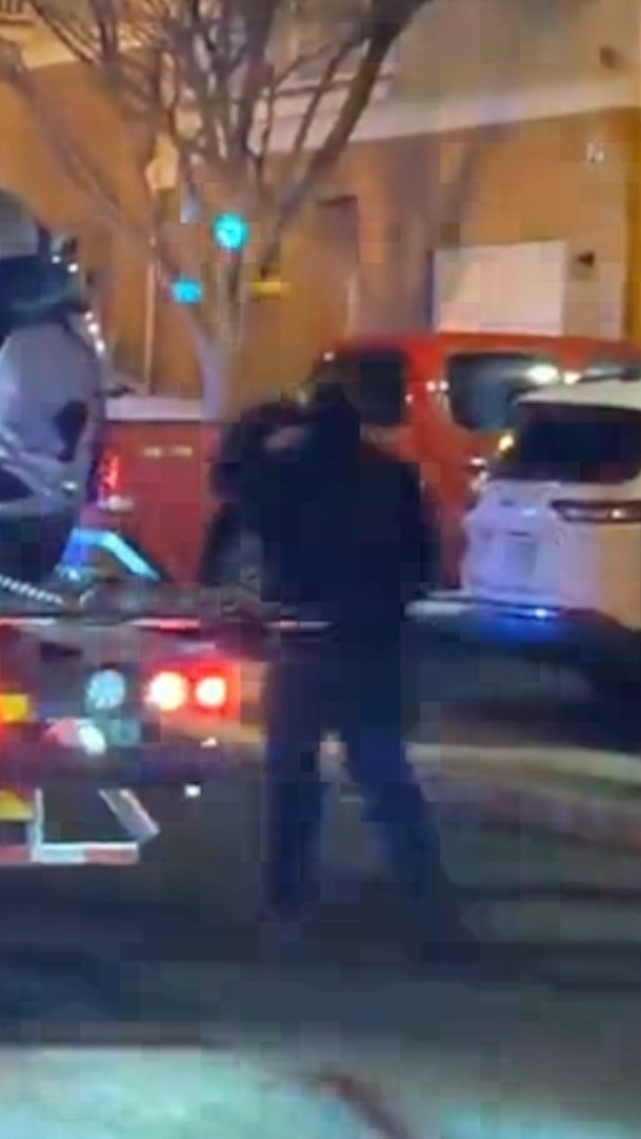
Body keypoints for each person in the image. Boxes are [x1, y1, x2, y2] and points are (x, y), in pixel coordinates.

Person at [238, 381, 465, 946]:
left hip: (305, 642)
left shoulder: (287, 473)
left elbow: (235, 487)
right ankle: (426, 900)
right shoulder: (392, 475)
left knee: (294, 779)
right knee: (386, 775)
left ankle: (289, 900)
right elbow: (423, 559)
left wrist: (264, 426)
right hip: (373, 643)